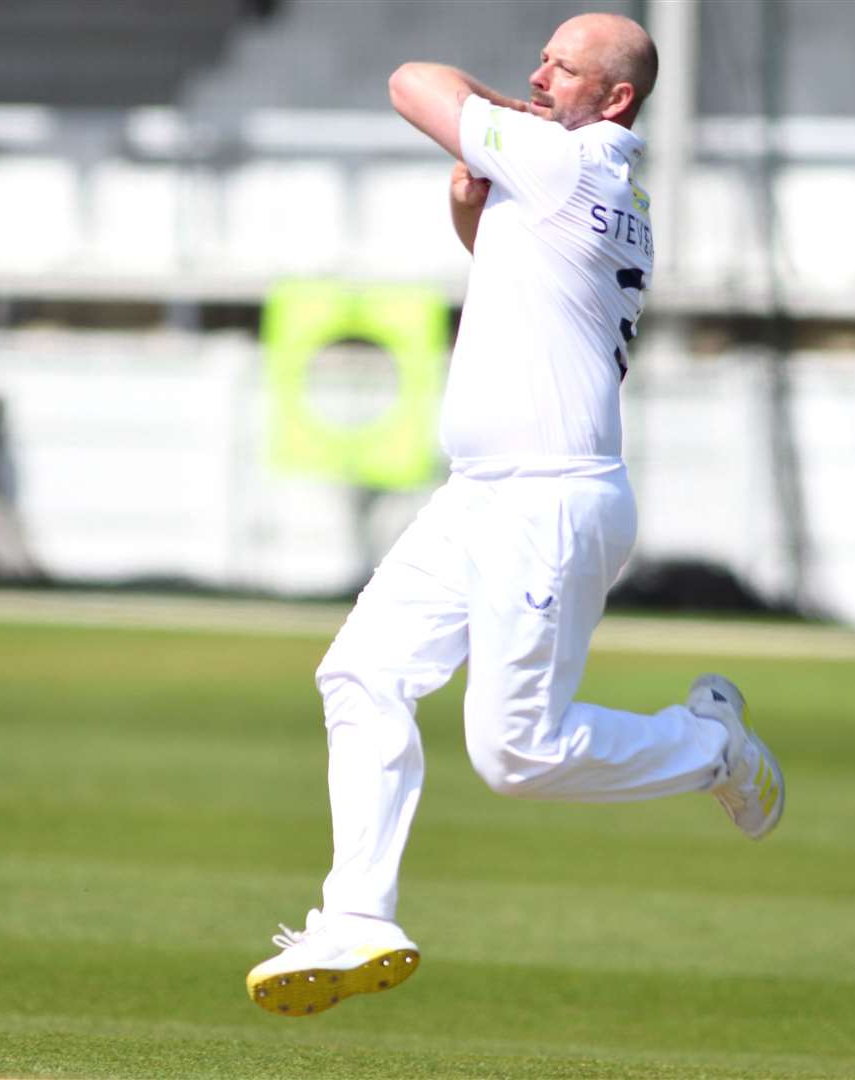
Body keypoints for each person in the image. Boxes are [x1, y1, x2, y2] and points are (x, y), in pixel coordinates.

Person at [245, 12, 785, 1019]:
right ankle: (357, 914)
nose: (536, 76)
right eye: (538, 60)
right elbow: (500, 252)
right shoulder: (584, 178)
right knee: (361, 672)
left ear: (616, 98)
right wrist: (480, 180)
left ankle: (710, 745)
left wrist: (482, 118)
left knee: (516, 756)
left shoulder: (573, 167)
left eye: (560, 66)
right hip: (484, 491)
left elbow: (413, 77)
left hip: (549, 496)